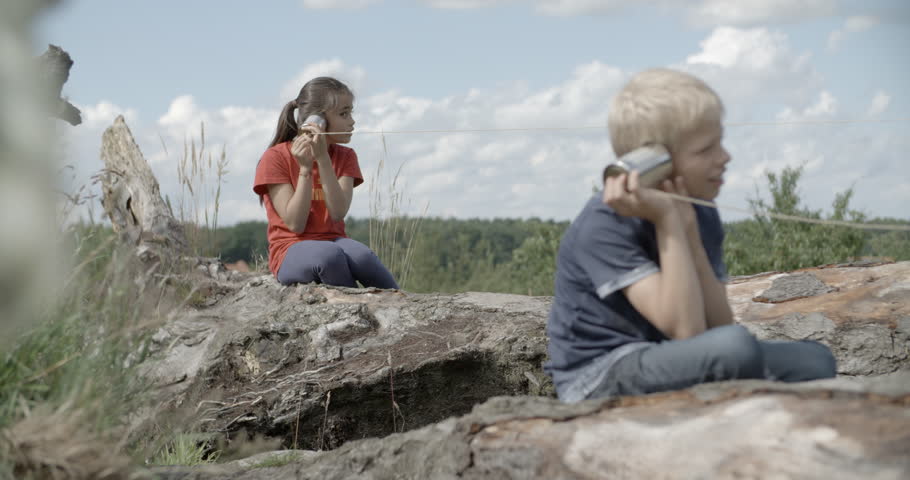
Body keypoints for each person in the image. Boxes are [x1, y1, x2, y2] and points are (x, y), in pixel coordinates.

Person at [544, 68, 836, 403]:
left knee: (816, 360)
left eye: (720, 142)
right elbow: (687, 331)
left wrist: (692, 237)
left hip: (666, 356)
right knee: (735, 349)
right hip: (599, 375)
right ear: (655, 163)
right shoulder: (604, 224)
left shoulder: (700, 209)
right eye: (706, 149)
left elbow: (719, 325)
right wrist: (669, 222)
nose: (725, 157)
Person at [253, 77, 399, 289]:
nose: (352, 121)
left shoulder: (345, 156)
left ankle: (401, 304)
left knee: (363, 256)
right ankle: (356, 312)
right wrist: (305, 169)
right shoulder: (275, 157)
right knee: (329, 256)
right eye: (343, 113)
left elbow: (338, 212)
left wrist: (322, 159)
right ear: (317, 121)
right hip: (290, 249)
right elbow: (295, 224)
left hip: (335, 241)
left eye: (351, 112)